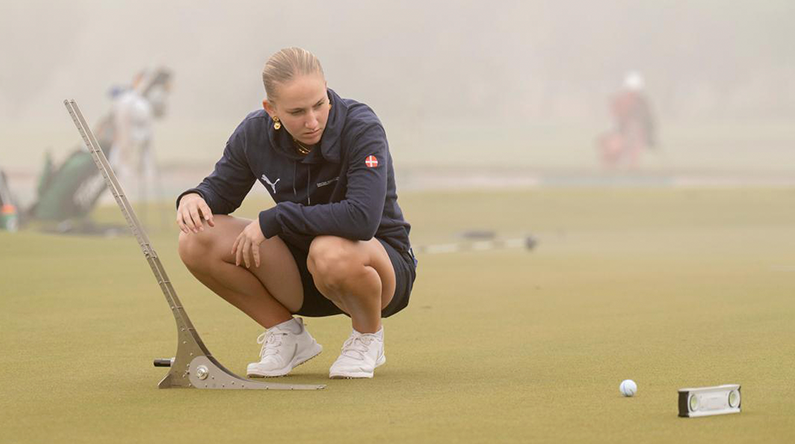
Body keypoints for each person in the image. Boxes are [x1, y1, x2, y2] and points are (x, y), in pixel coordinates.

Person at [175, 47, 416, 380]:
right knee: (195, 239)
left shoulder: (361, 126)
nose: (313, 120)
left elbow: (362, 219)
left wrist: (275, 219)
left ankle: (367, 337)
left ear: (327, 89)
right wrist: (193, 197)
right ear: (271, 109)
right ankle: (287, 335)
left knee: (328, 249)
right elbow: (221, 191)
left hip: (376, 268)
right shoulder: (253, 133)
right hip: (299, 274)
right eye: (297, 111)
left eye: (319, 104)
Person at [598, 71, 657, 168]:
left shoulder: (642, 103)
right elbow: (615, 119)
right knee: (612, 153)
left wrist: (649, 137)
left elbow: (648, 121)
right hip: (620, 132)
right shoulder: (620, 101)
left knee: (632, 155)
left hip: (633, 133)